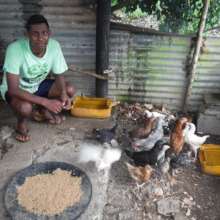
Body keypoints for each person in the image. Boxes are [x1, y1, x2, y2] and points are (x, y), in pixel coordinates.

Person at [0, 14, 75, 142]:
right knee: (25, 108)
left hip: (37, 86)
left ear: (49, 33)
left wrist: (63, 94)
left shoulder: (54, 46)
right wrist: (46, 101)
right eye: (35, 34)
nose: (40, 38)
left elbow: (59, 74)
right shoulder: (15, 49)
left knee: (69, 89)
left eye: (44, 33)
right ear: (27, 34)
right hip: (16, 90)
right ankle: (21, 123)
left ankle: (40, 110)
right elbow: (13, 89)